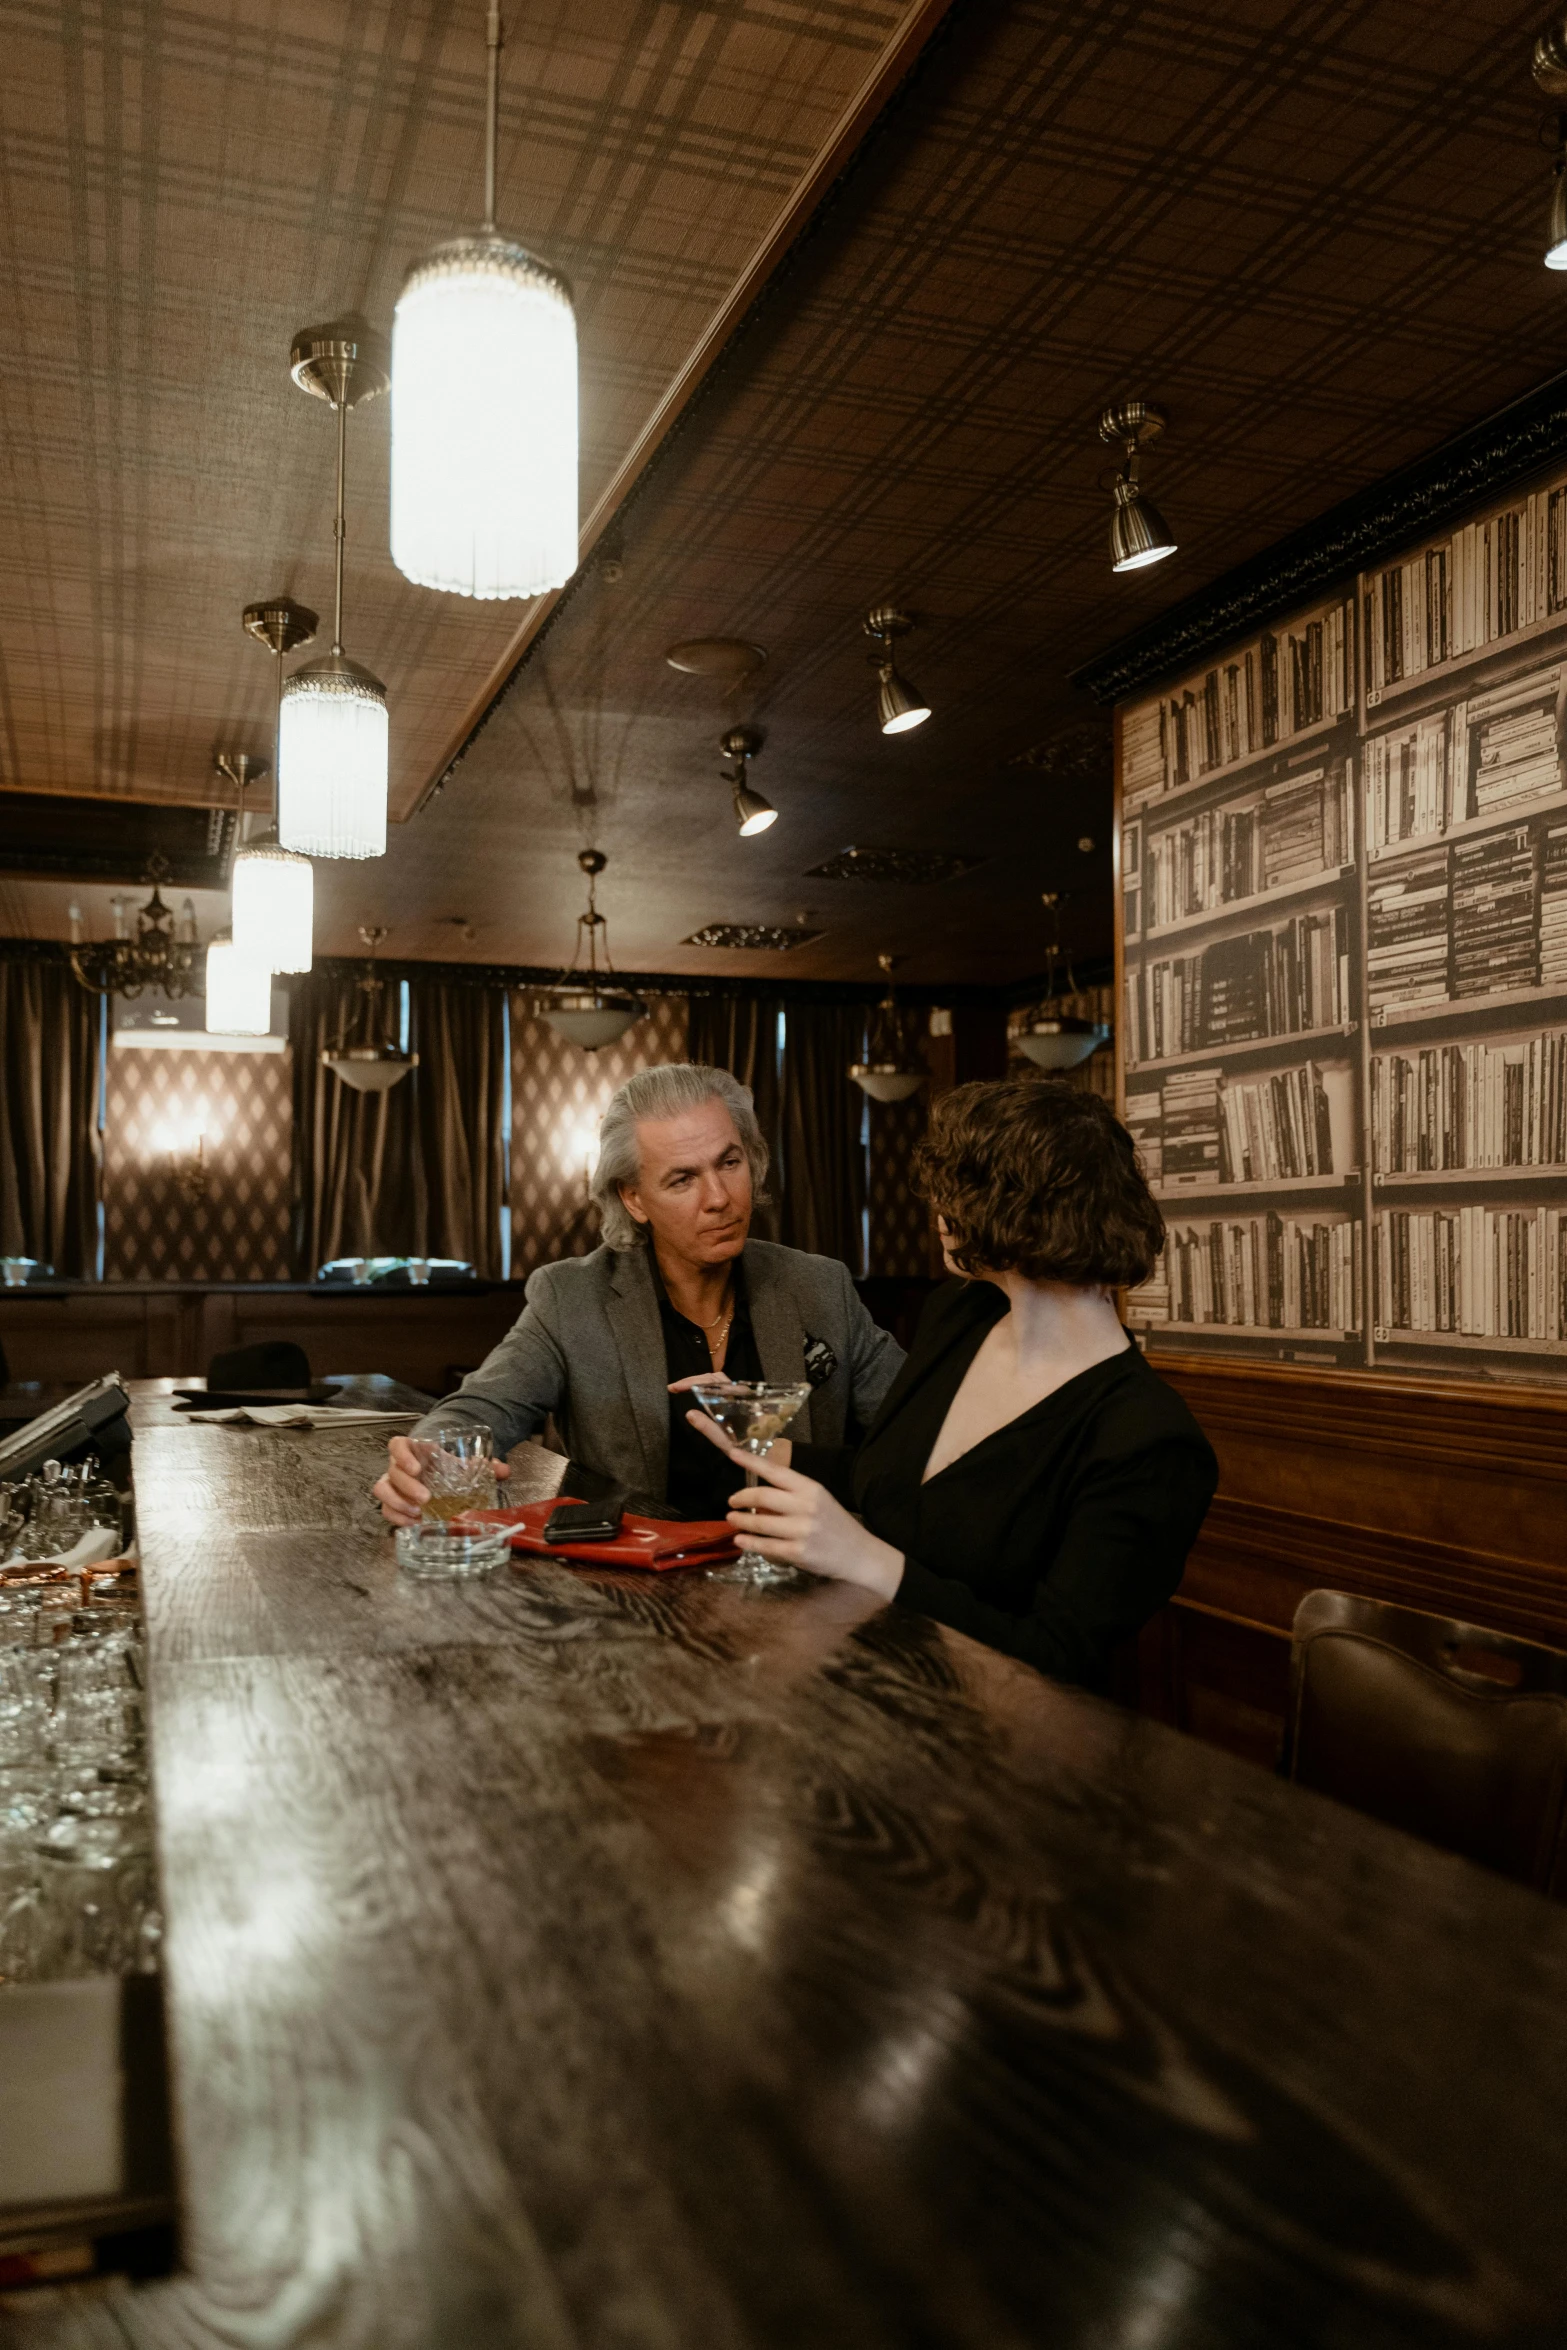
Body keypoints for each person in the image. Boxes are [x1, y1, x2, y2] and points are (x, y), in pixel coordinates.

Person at [689, 1077, 1217, 1691]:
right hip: (863, 1684)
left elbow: (1056, 1663)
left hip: (1004, 1757)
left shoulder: (1148, 1440)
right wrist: (757, 1438)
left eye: (957, 1191)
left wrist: (868, 1561)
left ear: (1022, 1213)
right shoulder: (959, 1315)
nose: (937, 1212)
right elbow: (893, 1480)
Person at [373, 1062, 905, 1526]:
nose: (719, 1198)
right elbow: (479, 1409)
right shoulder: (572, 1296)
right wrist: (425, 1460)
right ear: (634, 1198)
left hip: (802, 1581)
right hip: (637, 1595)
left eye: (729, 1162)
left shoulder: (819, 1286)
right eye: (682, 1180)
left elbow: (926, 1425)